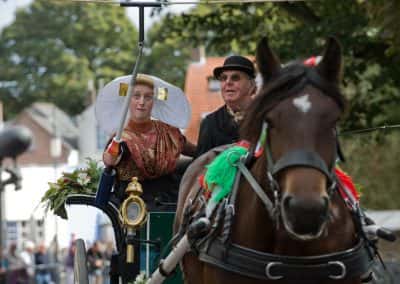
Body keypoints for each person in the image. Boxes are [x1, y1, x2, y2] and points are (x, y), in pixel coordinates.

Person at [102, 74, 196, 209]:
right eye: (136, 96)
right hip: (133, 209)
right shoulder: (120, 137)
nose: (141, 102)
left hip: (169, 204)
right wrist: (111, 157)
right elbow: (109, 159)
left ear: (154, 102)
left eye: (148, 97)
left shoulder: (168, 131)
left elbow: (196, 151)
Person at [196, 55, 257, 157]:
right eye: (224, 78)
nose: (228, 82)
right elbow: (200, 167)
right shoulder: (210, 123)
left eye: (235, 78)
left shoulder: (265, 118)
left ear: (251, 85)